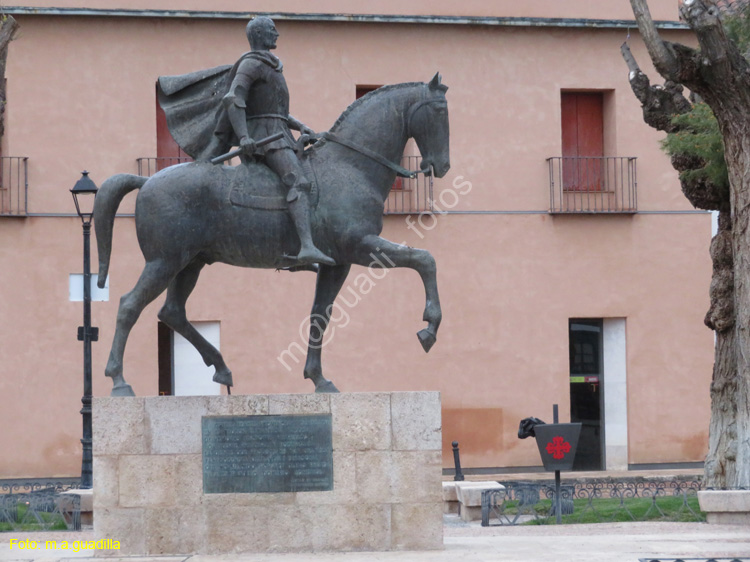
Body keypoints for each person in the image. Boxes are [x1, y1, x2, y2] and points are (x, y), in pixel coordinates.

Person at [205, 16, 335, 266]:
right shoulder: (252, 64)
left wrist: (300, 125)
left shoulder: (271, 66)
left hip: (278, 133)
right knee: (297, 182)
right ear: (260, 35)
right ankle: (307, 247)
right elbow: (233, 99)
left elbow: (276, 110)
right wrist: (244, 137)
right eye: (272, 30)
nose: (277, 34)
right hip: (265, 139)